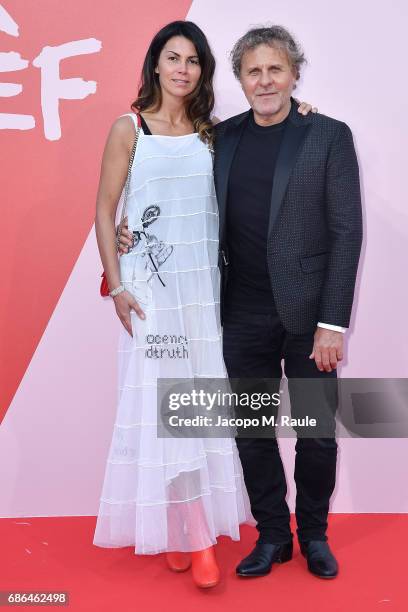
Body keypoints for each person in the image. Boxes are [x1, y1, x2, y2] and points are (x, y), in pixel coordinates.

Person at [119, 24, 362, 581]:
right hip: (240, 313)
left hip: (310, 320)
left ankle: (315, 535)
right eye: (253, 71)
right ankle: (274, 535)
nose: (265, 80)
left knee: (315, 433)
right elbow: (174, 193)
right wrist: (130, 230)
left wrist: (333, 324)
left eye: (275, 69)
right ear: (241, 80)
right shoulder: (220, 138)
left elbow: (347, 233)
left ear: (294, 73)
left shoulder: (327, 135)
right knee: (251, 432)